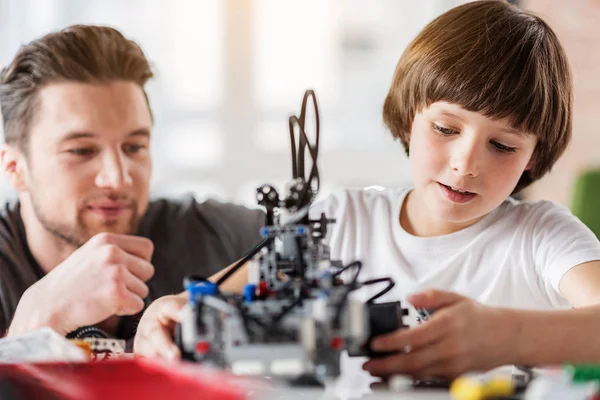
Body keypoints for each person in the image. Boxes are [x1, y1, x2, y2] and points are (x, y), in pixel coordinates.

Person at [134, 0, 600, 380]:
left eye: (501, 145)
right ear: (408, 117)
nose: (466, 164)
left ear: (533, 158)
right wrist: (166, 312)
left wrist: (505, 336)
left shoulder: (543, 235)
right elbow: (208, 302)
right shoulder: (343, 218)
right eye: (444, 127)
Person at [0, 25, 265, 342]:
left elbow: (333, 234)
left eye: (134, 147)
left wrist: (193, 300)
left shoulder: (209, 233)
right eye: (82, 151)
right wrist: (36, 321)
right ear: (15, 168)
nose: (118, 177)